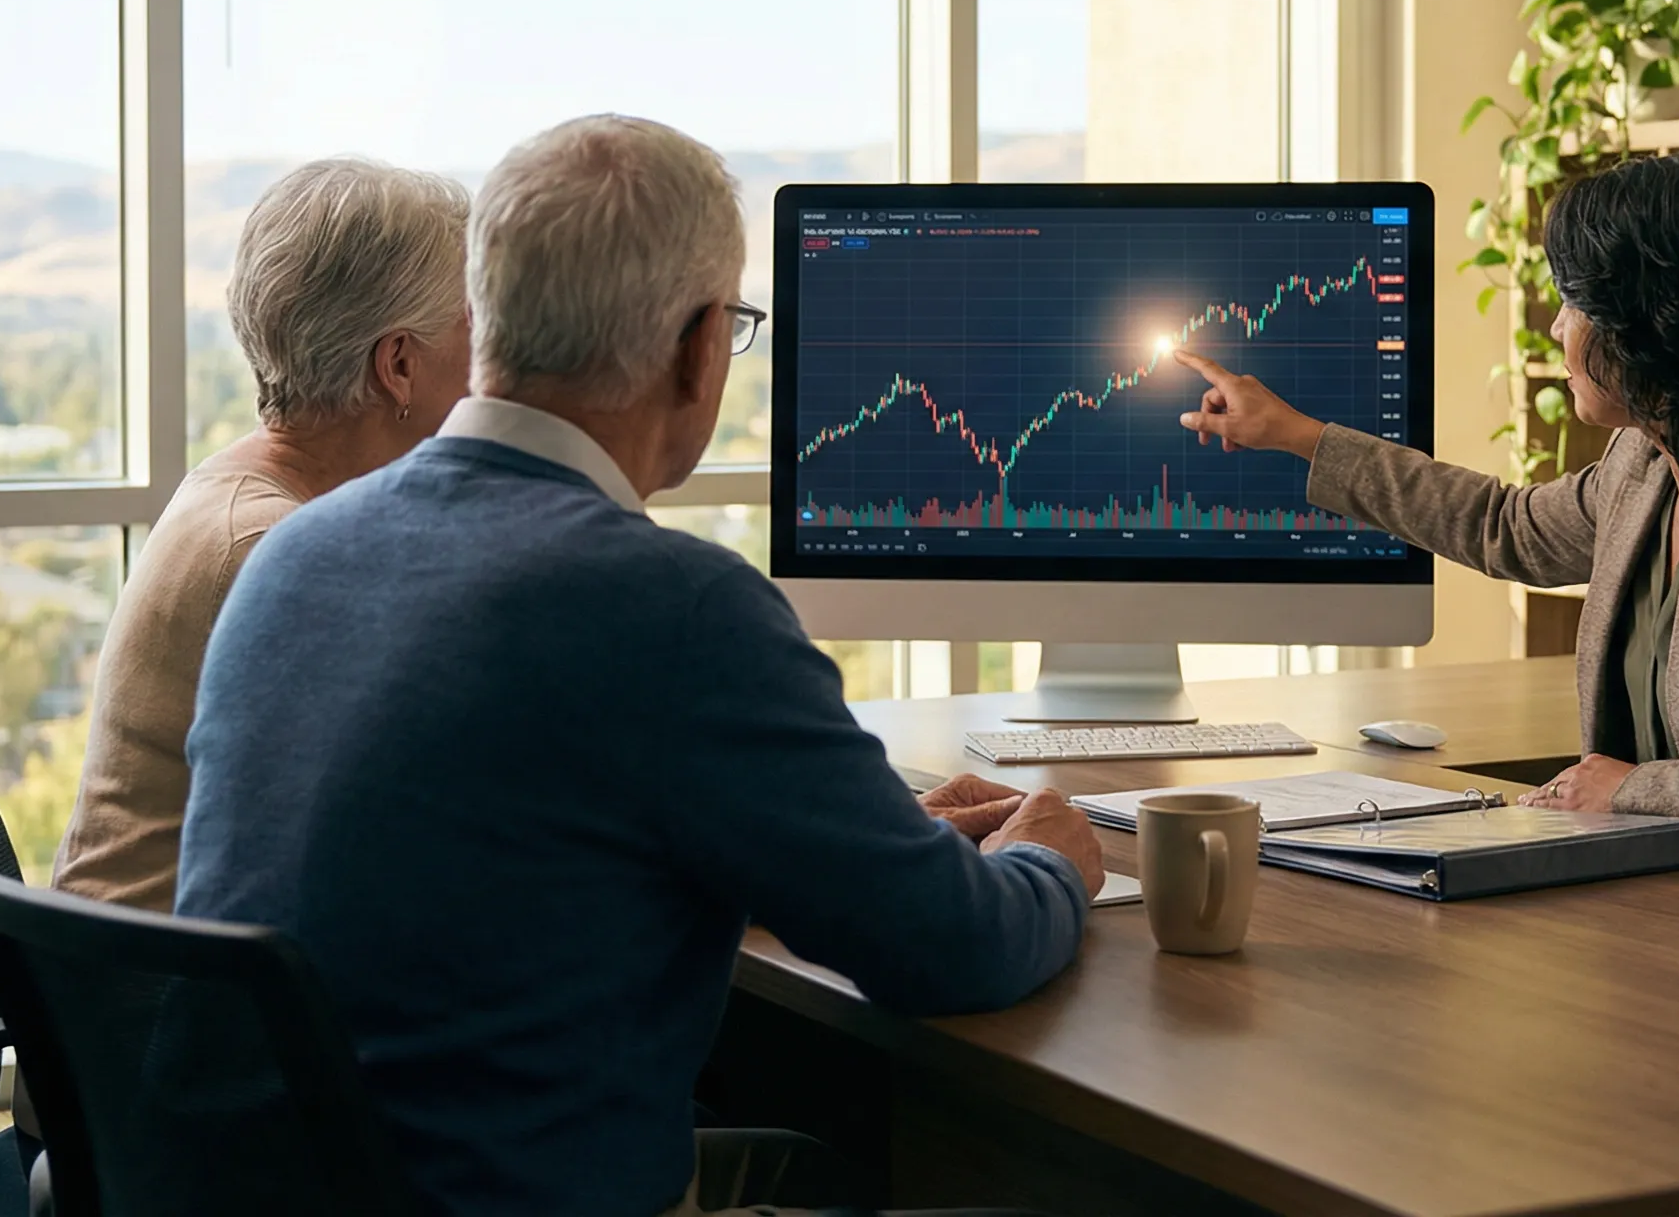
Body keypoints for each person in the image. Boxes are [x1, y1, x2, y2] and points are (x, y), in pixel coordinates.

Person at [176, 114, 1101, 1217]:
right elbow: (953, 953)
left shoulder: (292, 554)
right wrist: (1051, 859)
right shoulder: (674, 605)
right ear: (703, 345)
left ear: (486, 323)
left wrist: (868, 848)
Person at [1178, 151, 1679, 865]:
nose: (1557, 328)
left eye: (1575, 303)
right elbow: (1506, 528)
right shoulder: (1649, 462)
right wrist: (1296, 436)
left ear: (1653, 325)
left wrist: (1636, 789)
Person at [54, 157, 473, 910]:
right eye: (479, 330)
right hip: (184, 1002)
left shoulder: (244, 492)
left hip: (153, 975)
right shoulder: (272, 551)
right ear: (400, 364)